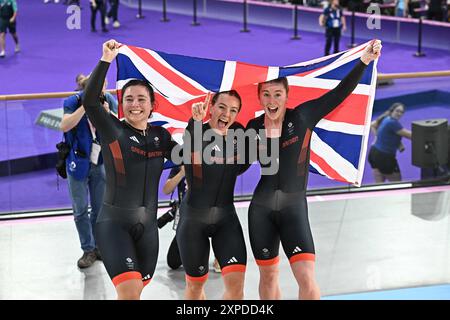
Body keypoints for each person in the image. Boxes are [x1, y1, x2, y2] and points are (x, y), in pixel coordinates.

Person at [245, 40, 382, 300]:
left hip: (293, 208)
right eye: (266, 94)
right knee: (268, 276)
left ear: (286, 96)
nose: (271, 100)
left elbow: (339, 94)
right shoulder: (252, 127)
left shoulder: (303, 116)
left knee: (306, 277)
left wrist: (363, 61)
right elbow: (237, 164)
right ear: (259, 96)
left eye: (277, 94)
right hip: (260, 209)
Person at [82, 39, 179, 300]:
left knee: (134, 292)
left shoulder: (161, 136)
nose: (135, 104)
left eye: (141, 99)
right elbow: (89, 101)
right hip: (114, 225)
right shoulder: (113, 130)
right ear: (121, 104)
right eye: (128, 99)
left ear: (152, 105)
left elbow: (188, 159)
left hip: (148, 229)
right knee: (129, 294)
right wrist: (105, 60)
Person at [176, 91, 248, 300]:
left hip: (227, 219)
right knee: (195, 288)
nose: (227, 114)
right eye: (222, 107)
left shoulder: (239, 136)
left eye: (233, 110)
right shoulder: (196, 131)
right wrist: (195, 122)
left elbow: (240, 166)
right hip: (193, 220)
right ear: (212, 108)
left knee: (236, 289)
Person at [60, 75, 118, 269]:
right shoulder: (73, 101)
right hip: (78, 161)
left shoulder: (108, 100)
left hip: (100, 161)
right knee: (80, 210)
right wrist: (86, 106)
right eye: (96, 89)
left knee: (100, 209)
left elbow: (120, 128)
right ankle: (88, 249)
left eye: (102, 89)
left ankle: (99, 247)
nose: (100, 92)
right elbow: (65, 125)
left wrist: (108, 114)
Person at [369, 103, 411, 183]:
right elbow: (409, 135)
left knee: (378, 186)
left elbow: (372, 125)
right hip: (385, 158)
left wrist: (378, 138)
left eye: (401, 112)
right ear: (392, 110)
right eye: (397, 111)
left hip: (373, 153)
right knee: (397, 185)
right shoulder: (393, 123)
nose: (399, 113)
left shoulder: (385, 118)